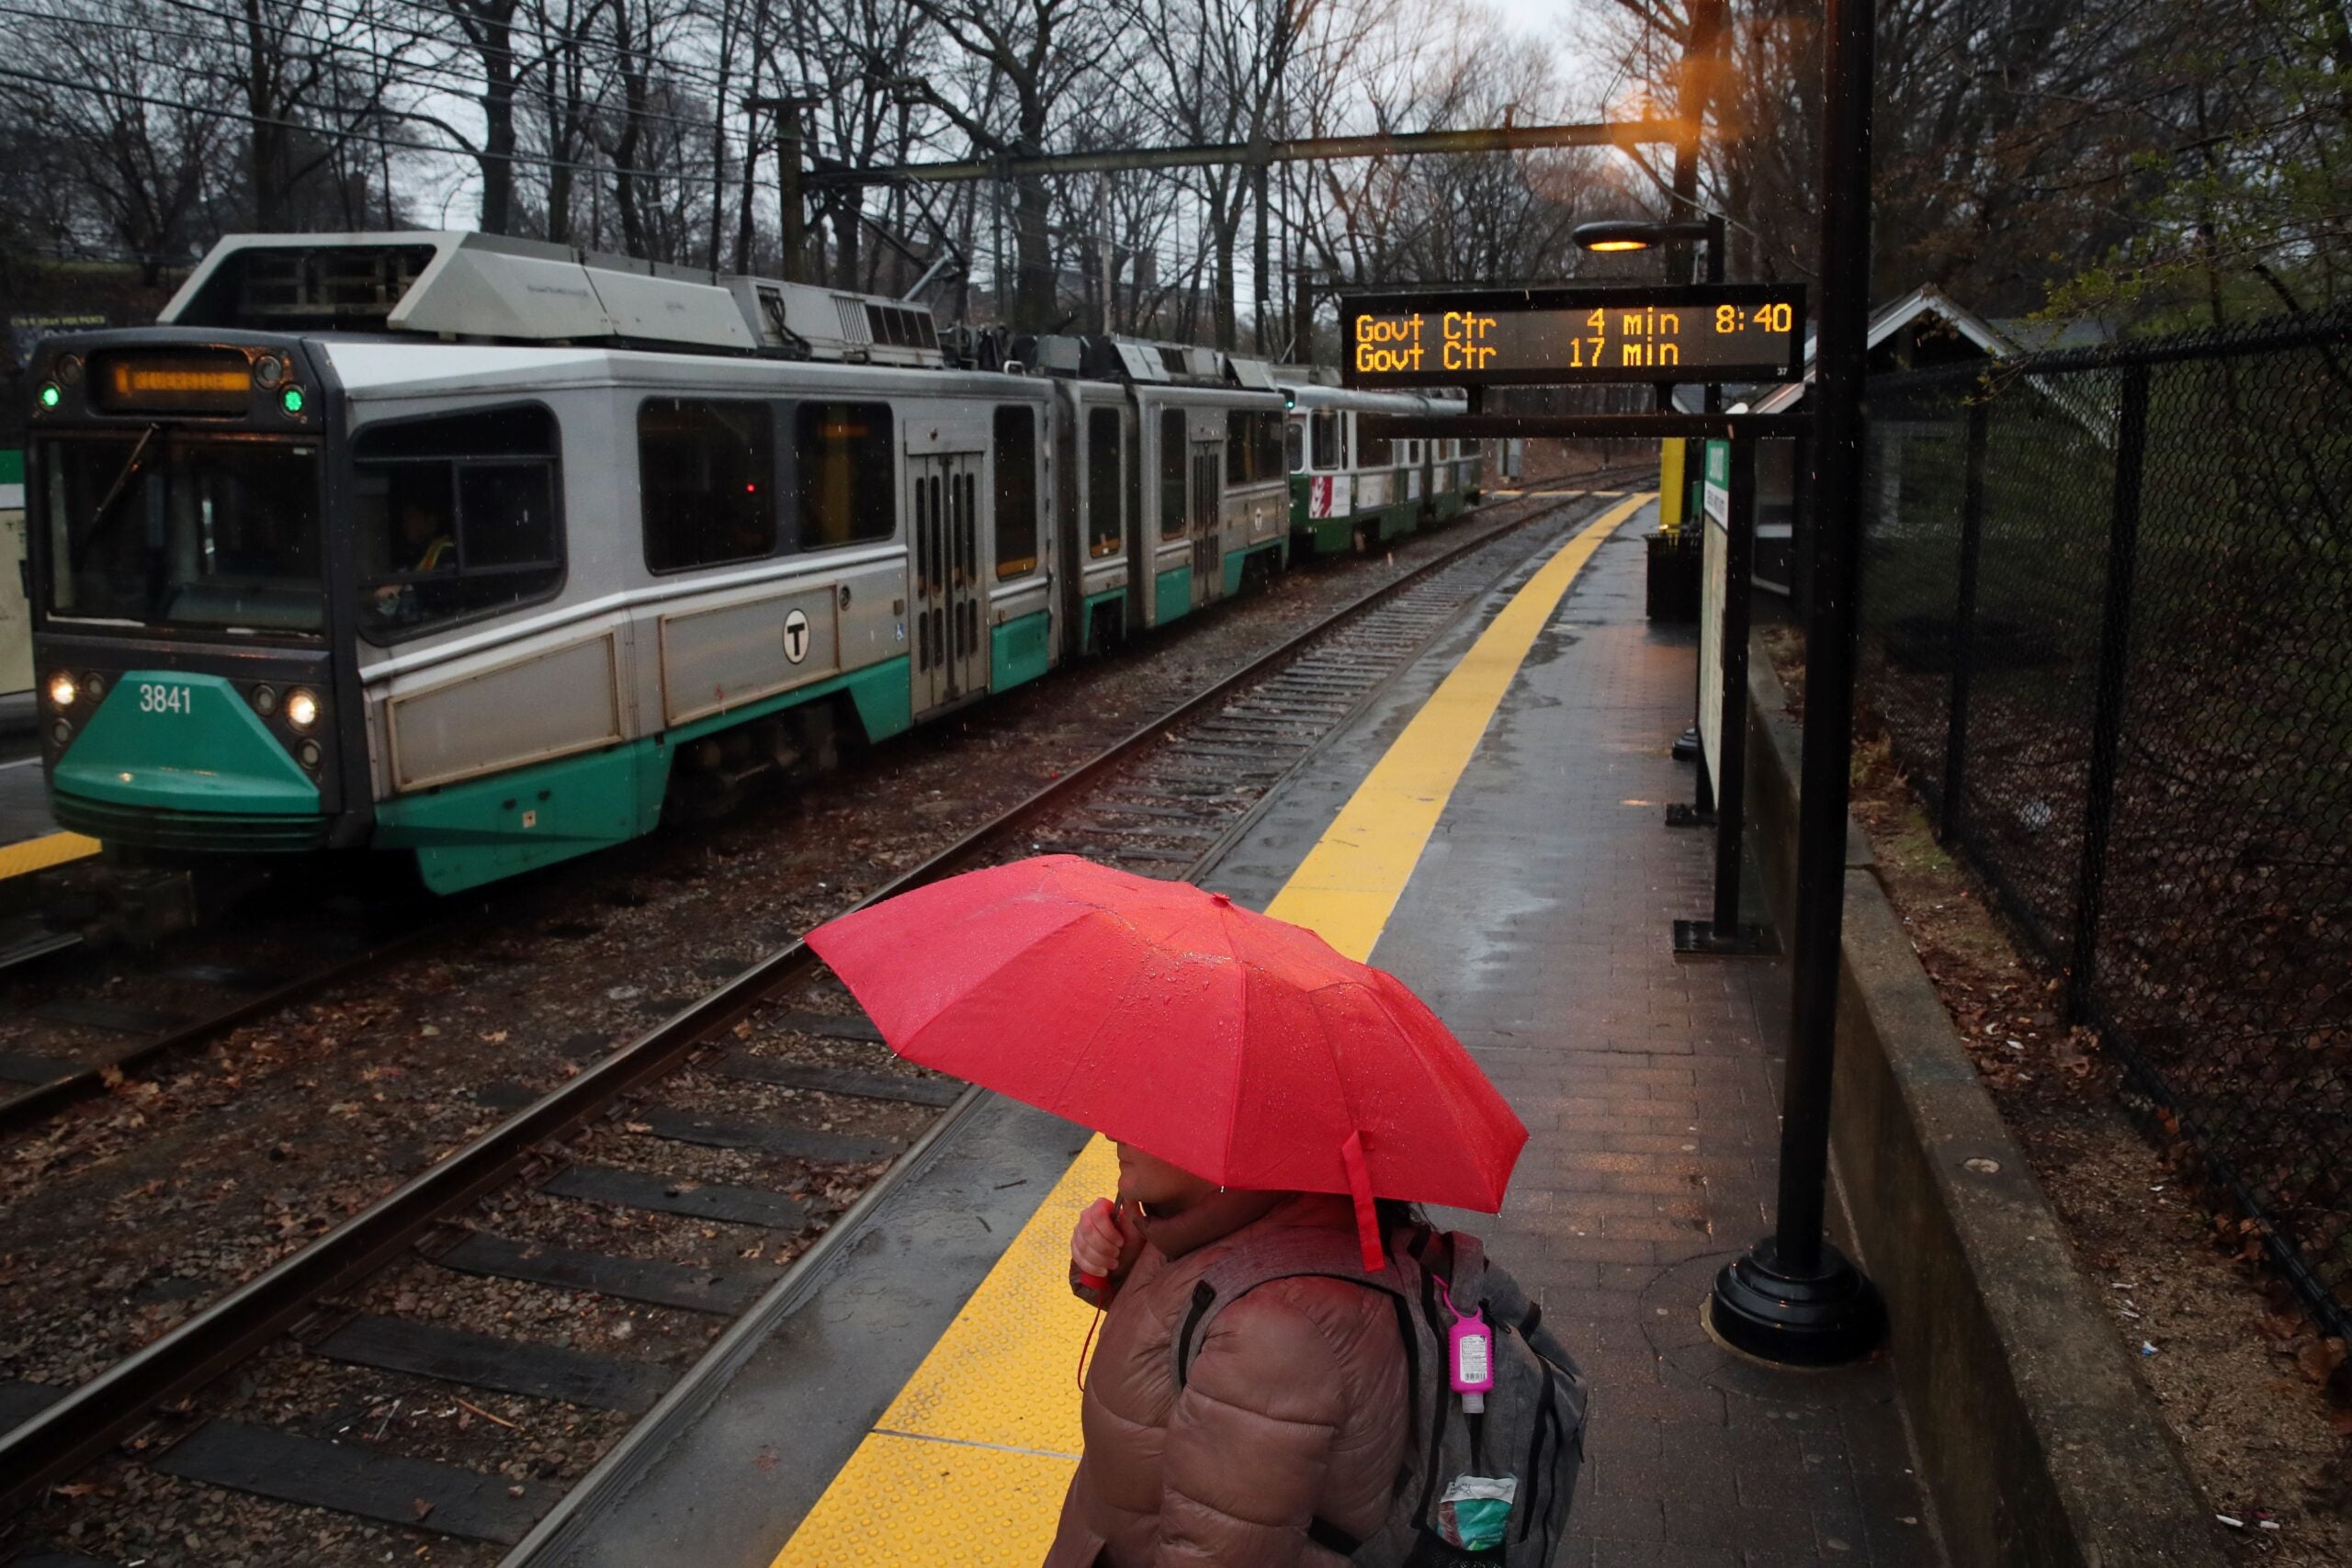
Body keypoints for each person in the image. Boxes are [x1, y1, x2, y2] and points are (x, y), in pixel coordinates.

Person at [1046, 1142, 1410, 1568]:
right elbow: (1182, 1320)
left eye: (1156, 1114)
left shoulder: (1274, 1331)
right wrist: (1117, 1260)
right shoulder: (1218, 1215)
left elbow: (1215, 1552)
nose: (1111, 1134)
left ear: (1228, 1135)